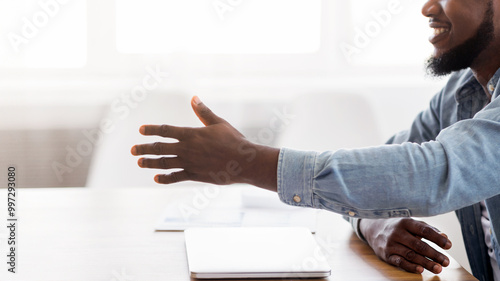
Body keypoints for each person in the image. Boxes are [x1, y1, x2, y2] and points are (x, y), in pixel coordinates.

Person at [130, 0, 500, 280]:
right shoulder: (461, 91)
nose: (428, 8)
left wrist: (248, 162)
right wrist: (372, 222)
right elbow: (381, 172)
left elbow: (434, 173)